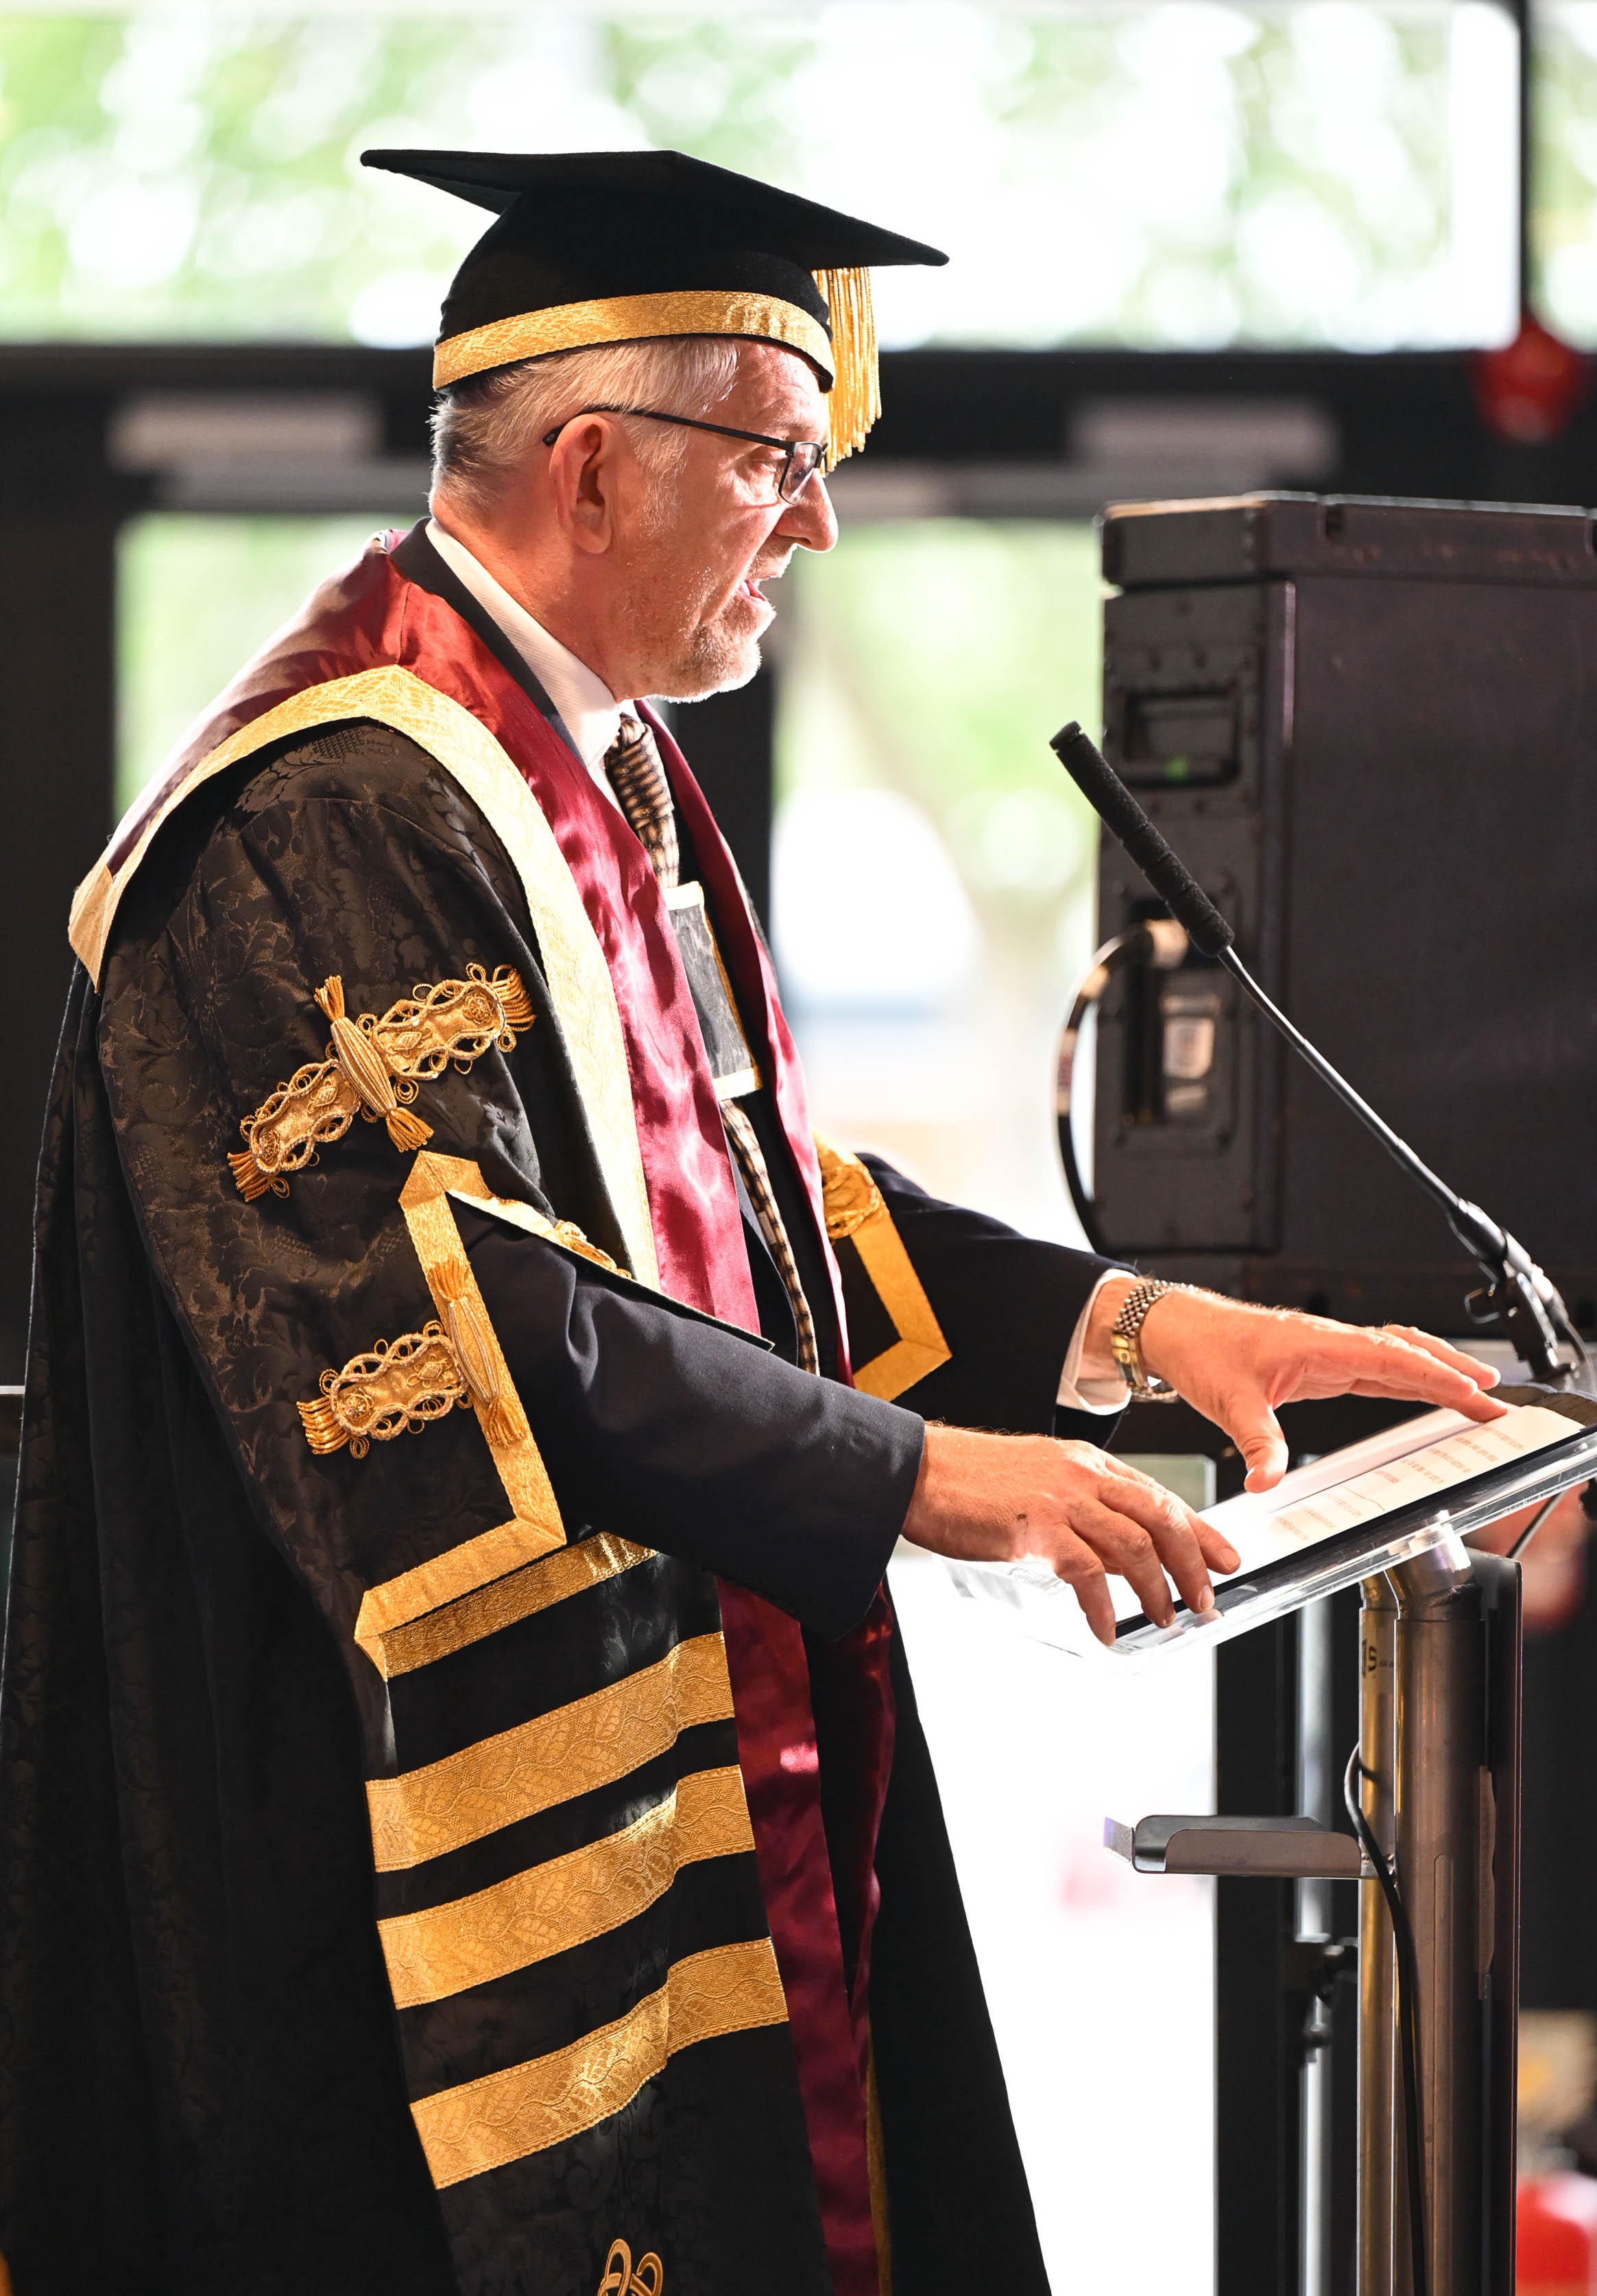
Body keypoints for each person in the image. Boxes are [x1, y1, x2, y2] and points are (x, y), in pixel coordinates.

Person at [0, 149, 1504, 2296]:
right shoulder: (327, 811)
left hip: (699, 1738)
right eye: (776, 460)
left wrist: (1137, 1328)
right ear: (595, 467)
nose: (814, 522)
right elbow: (463, 1310)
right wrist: (912, 1473)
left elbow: (737, 1210)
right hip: (391, 1851)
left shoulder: (581, 769)